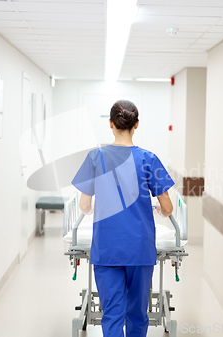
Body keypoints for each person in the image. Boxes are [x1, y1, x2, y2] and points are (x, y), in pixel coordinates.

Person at [71, 100, 174, 337]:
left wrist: (91, 210)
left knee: (112, 313)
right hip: (139, 250)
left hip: (107, 249)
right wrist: (160, 209)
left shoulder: (95, 158)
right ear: (136, 125)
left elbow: (84, 205)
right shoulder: (149, 159)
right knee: (137, 314)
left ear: (110, 124)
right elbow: (167, 208)